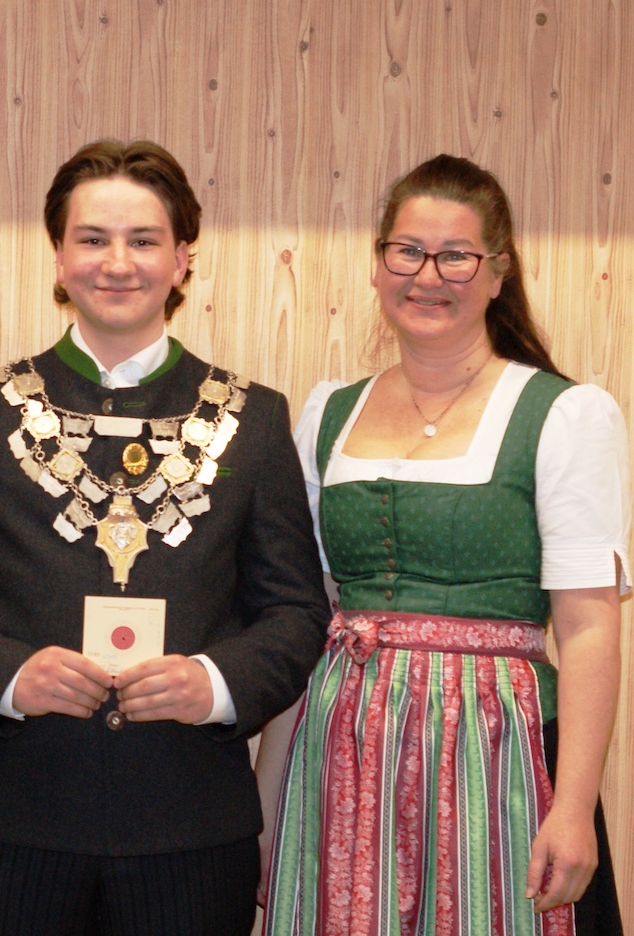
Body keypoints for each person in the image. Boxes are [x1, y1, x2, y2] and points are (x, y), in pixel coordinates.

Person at [0, 139, 331, 935]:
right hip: (16, 823)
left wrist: (216, 684)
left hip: (192, 827)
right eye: (93, 239)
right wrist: (11, 675)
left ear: (182, 260)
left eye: (143, 240)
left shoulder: (254, 420)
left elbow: (296, 612)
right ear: (59, 257)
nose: (117, 263)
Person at [258, 154, 628, 935]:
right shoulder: (328, 415)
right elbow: (305, 617)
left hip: (499, 752)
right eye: (407, 252)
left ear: (498, 272)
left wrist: (573, 809)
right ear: (378, 265)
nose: (428, 276)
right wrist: (267, 808)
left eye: (456, 255)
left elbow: (589, 625)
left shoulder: (563, 414)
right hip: (344, 754)